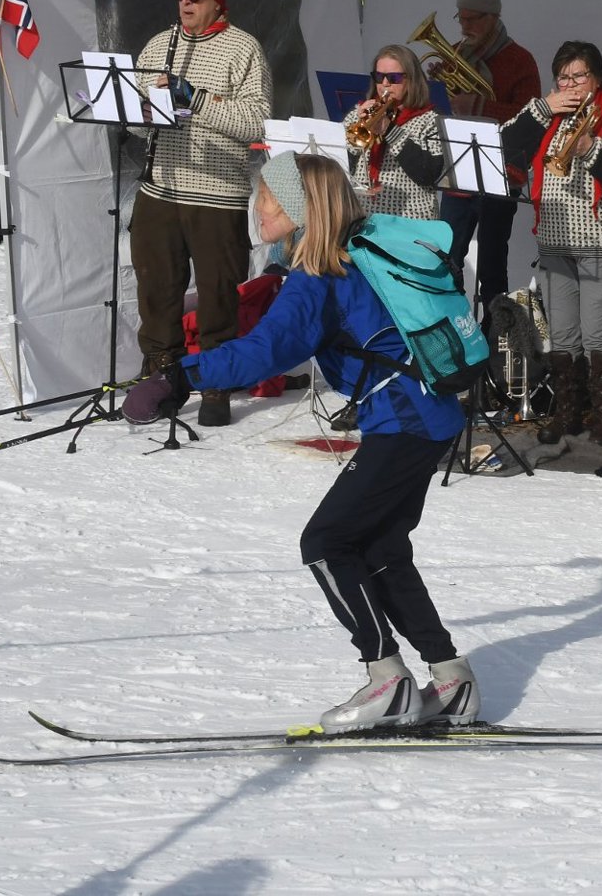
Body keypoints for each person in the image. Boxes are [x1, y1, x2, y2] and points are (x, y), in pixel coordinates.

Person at [122, 152, 477, 730]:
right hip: (424, 416)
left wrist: (177, 377)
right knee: (381, 548)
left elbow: (266, 351)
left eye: (265, 199)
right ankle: (451, 678)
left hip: (405, 421)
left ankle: (387, 679)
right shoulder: (350, 260)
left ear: (296, 207)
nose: (256, 209)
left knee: (328, 540)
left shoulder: (319, 277)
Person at [130, 0, 272, 427]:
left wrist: (198, 99)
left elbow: (256, 122)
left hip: (217, 195)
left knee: (217, 296)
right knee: (156, 294)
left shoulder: (243, 48)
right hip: (159, 190)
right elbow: (134, 123)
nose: (184, 3)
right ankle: (160, 381)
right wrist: (139, 115)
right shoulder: (157, 45)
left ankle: (215, 385)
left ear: (217, 4)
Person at [500, 41, 602, 449]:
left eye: (578, 76)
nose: (570, 84)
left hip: (601, 240)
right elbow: (508, 145)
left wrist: (590, 148)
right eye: (563, 77)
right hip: (553, 240)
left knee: (598, 335)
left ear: (597, 78)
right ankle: (566, 415)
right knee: (563, 336)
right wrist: (543, 107)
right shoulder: (549, 112)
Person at [434, 0, 541, 307]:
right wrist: (437, 87)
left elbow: (532, 117)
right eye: (461, 18)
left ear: (492, 17)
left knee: (493, 263)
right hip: (458, 171)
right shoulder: (454, 54)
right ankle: (451, 326)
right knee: (446, 258)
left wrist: (479, 106)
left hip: (502, 173)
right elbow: (443, 112)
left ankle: (496, 339)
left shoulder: (520, 60)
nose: (465, 27)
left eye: (472, 19)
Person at [344, 45, 446, 220]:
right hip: (362, 219)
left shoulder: (430, 120)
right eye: (379, 77)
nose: (385, 84)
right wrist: (357, 130)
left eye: (394, 77)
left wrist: (389, 130)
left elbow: (428, 175)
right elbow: (339, 168)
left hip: (410, 221)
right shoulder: (358, 114)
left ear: (411, 80)